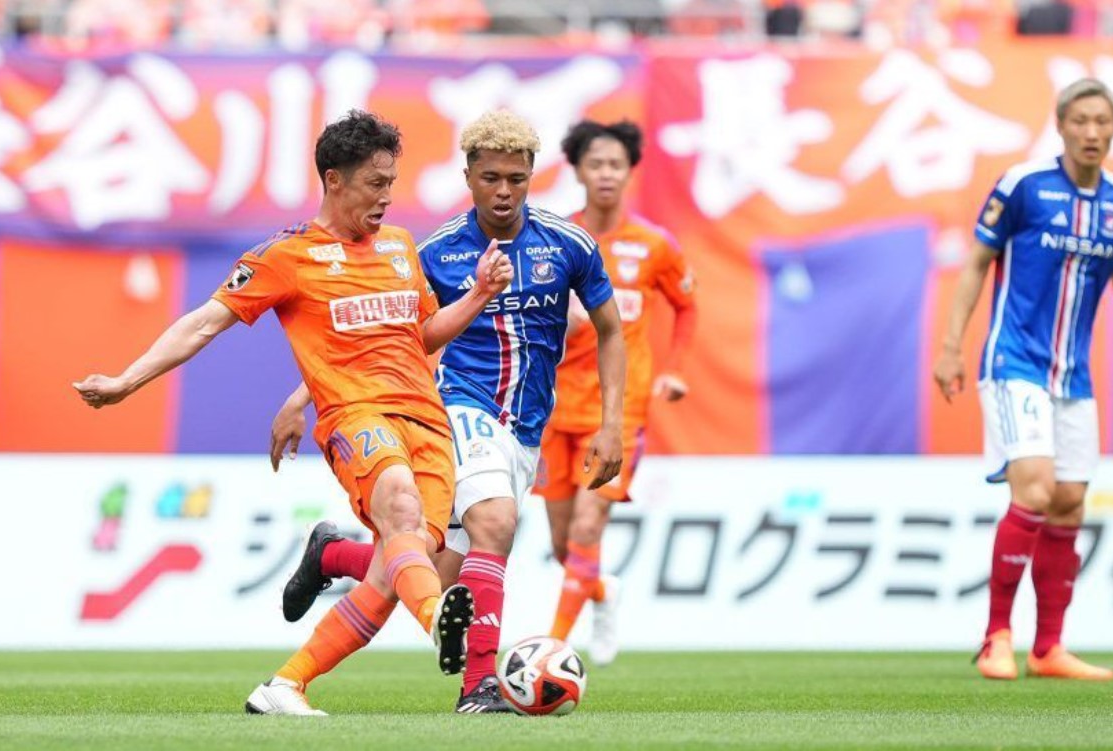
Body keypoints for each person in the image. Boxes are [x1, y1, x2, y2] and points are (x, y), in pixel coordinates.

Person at [73, 110, 514, 715]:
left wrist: (480, 294)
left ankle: (283, 686)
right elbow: (203, 324)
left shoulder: (399, 246)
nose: (387, 197)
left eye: (391, 182)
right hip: (356, 416)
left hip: (429, 424)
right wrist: (128, 380)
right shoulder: (288, 255)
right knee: (401, 510)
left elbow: (423, 335)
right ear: (334, 180)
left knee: (395, 568)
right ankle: (438, 617)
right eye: (375, 183)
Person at [271, 110, 626, 713]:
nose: (504, 191)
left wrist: (612, 424)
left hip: (525, 428)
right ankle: (479, 687)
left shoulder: (569, 244)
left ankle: (332, 553)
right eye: (491, 178)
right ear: (468, 177)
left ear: (533, 174)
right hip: (458, 407)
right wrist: (300, 398)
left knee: (435, 571)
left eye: (516, 178)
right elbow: (382, 340)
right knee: (495, 523)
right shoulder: (435, 253)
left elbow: (611, 330)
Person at [933, 78, 1113, 682]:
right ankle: (996, 637)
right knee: (1037, 491)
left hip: (1073, 376)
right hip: (1014, 363)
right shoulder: (1023, 185)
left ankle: (1048, 648)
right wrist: (950, 347)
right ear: (1061, 124)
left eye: (1103, 121)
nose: (1092, 132)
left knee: (1070, 502)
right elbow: (976, 262)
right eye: (1081, 120)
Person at [536, 119, 697, 667]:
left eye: (616, 165)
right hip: (554, 406)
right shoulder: (555, 239)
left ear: (630, 172)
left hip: (617, 410)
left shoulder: (653, 246)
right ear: (578, 172)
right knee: (564, 544)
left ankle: (551, 649)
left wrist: (674, 370)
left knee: (589, 524)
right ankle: (602, 591)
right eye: (596, 164)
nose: (606, 174)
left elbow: (687, 306)